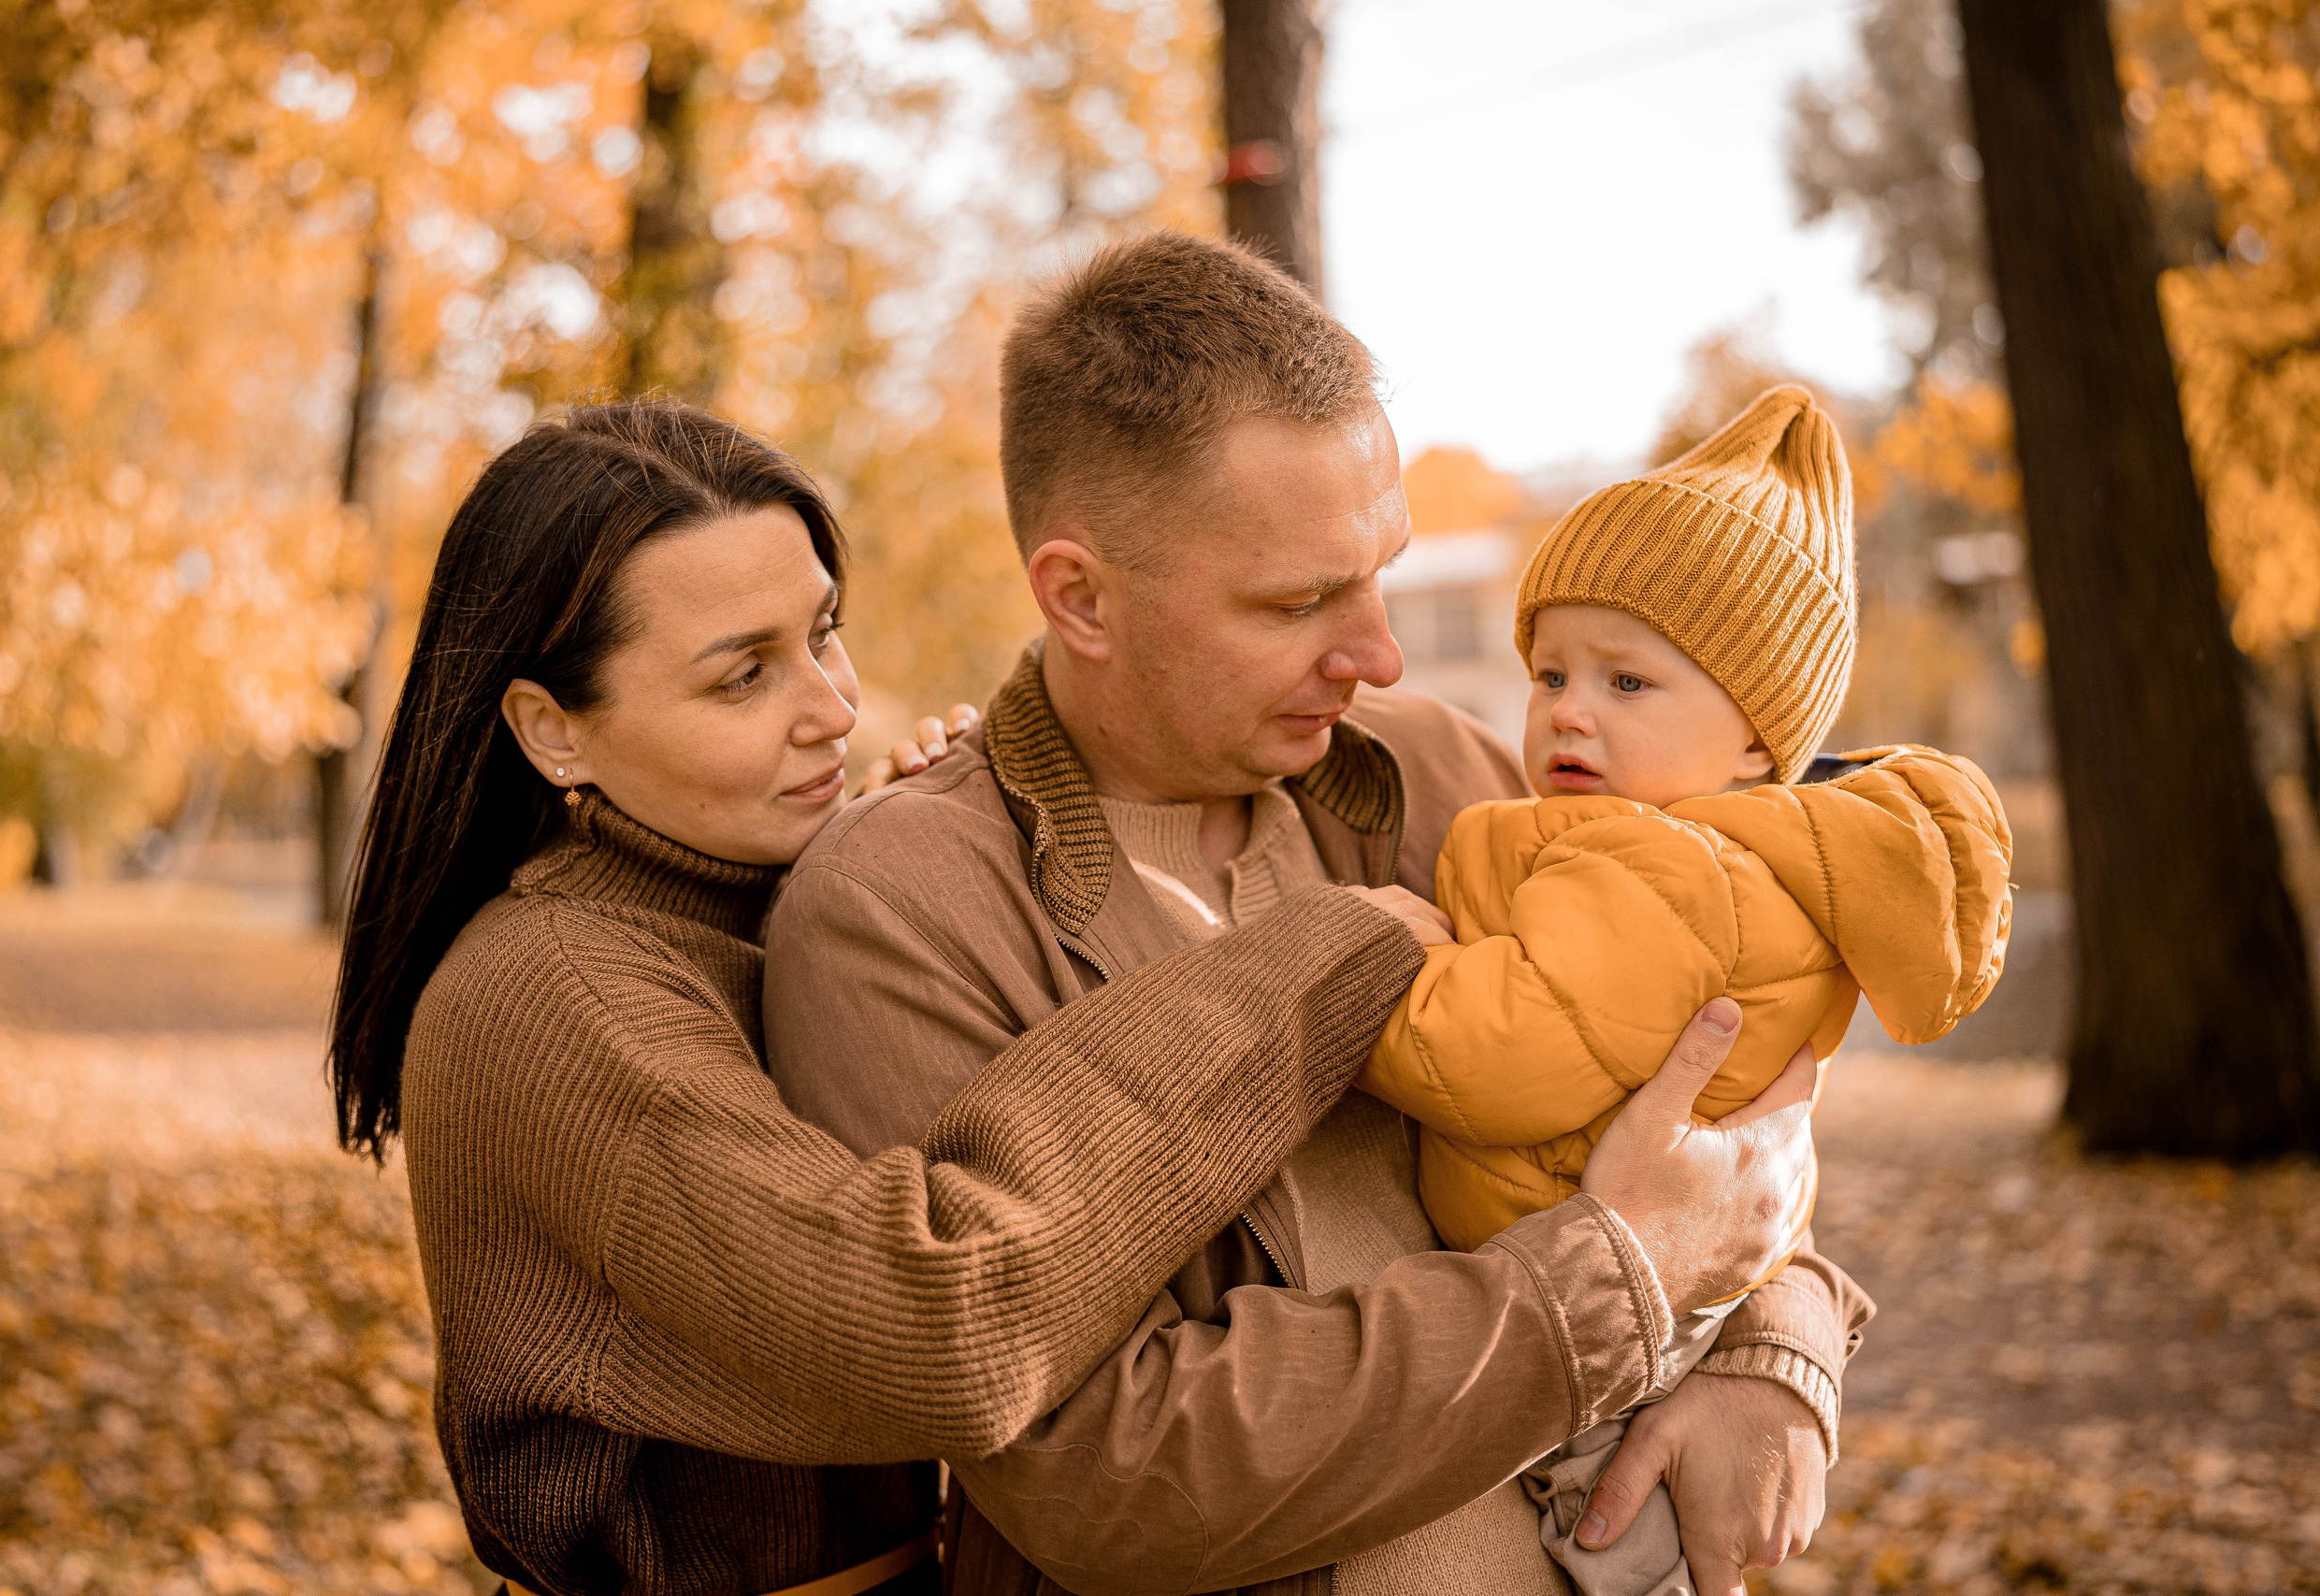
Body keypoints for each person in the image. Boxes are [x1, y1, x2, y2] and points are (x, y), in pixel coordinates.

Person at [763, 231, 1872, 1596]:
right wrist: (1609, 1283)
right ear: (1080, 596)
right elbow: (1101, 1468)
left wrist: (1781, 1340)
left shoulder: (1449, 775)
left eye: (1380, 570)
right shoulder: (902, 913)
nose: (1381, 652)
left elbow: (1725, 1096)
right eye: (1300, 602)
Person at [324, 399, 1490, 1596]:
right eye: (743, 679)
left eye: (823, 634)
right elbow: (942, 1326)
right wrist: (1313, 968)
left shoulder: (748, 899)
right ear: (550, 731)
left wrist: (916, 856)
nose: (831, 705)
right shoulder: (555, 999)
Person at [1361, 383, 2015, 1596]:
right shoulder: (1716, 855)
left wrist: (1386, 964)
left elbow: (1503, 1052)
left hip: (1603, 1356)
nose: (1566, 711)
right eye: (1550, 670)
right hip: (1616, 1304)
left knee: (1617, 1545)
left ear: (1759, 739)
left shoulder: (1664, 870)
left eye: (1627, 684)